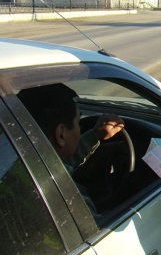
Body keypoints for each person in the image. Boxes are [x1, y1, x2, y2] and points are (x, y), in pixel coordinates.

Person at [17, 83, 125, 219]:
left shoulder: (18, 156)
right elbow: (100, 228)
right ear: (61, 134)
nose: (79, 130)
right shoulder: (62, 195)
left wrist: (95, 136)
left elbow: (58, 161)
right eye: (78, 123)